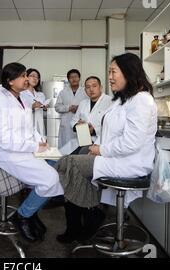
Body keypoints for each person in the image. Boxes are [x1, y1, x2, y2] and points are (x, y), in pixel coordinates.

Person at [55, 53, 157, 244]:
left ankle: (84, 213)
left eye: (113, 72)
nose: (110, 76)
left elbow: (131, 143)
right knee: (71, 163)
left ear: (129, 72)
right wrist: (94, 147)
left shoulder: (142, 100)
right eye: (109, 71)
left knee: (68, 164)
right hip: (112, 155)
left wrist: (100, 149)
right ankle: (85, 216)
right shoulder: (123, 100)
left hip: (129, 163)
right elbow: (110, 132)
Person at [0, 63, 64, 242]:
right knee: (50, 179)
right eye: (22, 76)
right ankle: (22, 215)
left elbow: (28, 127)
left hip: (24, 147)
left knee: (60, 163)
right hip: (6, 152)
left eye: (26, 74)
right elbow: (2, 138)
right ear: (10, 81)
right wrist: (34, 147)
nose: (27, 79)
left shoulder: (22, 98)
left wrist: (39, 140)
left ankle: (32, 210)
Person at [70, 76, 112, 155]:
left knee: (79, 159)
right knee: (66, 157)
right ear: (85, 90)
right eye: (88, 87)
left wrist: (94, 130)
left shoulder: (110, 102)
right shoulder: (83, 103)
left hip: (99, 142)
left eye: (94, 86)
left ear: (101, 87)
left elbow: (112, 126)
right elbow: (73, 121)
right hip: (83, 140)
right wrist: (77, 125)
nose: (91, 89)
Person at [55, 69, 89, 155]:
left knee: (81, 147)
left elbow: (90, 105)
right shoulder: (63, 92)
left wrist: (79, 108)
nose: (74, 79)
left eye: (76, 77)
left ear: (79, 78)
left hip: (81, 123)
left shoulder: (85, 91)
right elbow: (57, 107)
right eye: (71, 77)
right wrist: (68, 108)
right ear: (68, 79)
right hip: (66, 124)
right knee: (65, 148)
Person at [21, 68, 48, 138]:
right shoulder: (21, 94)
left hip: (39, 126)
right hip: (26, 127)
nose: (35, 78)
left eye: (37, 77)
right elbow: (17, 112)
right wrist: (32, 107)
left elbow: (44, 115)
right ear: (26, 77)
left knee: (40, 145)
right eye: (32, 76)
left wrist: (45, 109)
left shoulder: (41, 95)